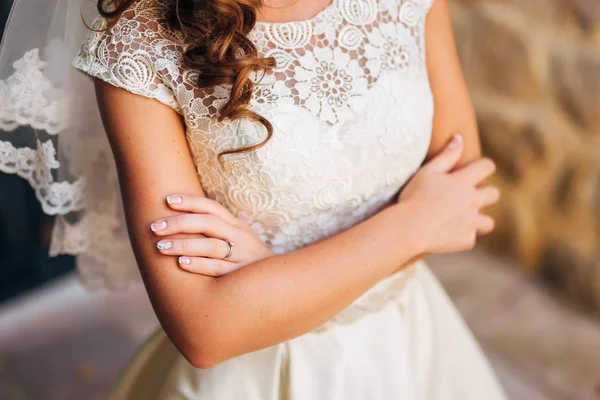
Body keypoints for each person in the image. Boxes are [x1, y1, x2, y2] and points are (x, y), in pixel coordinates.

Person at [0, 0, 508, 398]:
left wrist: (271, 276)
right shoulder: (141, 41)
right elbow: (205, 330)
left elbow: (462, 201)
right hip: (260, 372)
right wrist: (411, 224)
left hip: (408, 344)